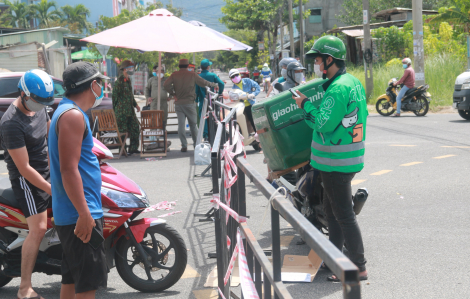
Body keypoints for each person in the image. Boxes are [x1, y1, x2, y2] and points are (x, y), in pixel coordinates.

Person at [292, 35, 368, 282]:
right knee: (332, 211)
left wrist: (304, 105)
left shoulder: (337, 88)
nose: (316, 65)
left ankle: (357, 266)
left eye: (318, 60)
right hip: (343, 159)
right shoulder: (353, 82)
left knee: (343, 213)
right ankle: (335, 258)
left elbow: (323, 124)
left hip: (337, 162)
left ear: (330, 60)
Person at [49, 61, 108, 299]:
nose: (101, 89)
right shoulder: (72, 115)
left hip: (71, 212)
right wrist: (85, 214)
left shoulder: (65, 111)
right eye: (100, 84)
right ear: (94, 85)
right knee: (86, 287)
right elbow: (68, 170)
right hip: (79, 214)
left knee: (72, 282)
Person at [0, 70, 54, 299]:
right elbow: (24, 168)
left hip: (47, 170)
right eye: (37, 100)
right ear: (23, 93)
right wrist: (53, 189)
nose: (40, 106)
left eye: (44, 102)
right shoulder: (11, 123)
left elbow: (50, 133)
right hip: (27, 181)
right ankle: (24, 288)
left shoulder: (39, 106)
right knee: (39, 228)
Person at [164, 58, 218, 152]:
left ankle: (184, 145)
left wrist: (173, 94)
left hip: (179, 103)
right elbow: (203, 83)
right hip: (190, 103)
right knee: (193, 125)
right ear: (188, 66)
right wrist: (213, 84)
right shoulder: (192, 74)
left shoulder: (174, 75)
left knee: (181, 125)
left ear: (179, 66)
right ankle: (196, 145)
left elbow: (165, 85)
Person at [112, 60, 141, 154]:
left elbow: (130, 96)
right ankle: (122, 150)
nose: (132, 69)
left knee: (135, 127)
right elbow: (115, 96)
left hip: (130, 111)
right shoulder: (119, 81)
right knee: (122, 131)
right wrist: (116, 109)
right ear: (125, 69)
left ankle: (133, 148)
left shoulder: (128, 80)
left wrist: (135, 105)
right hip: (121, 112)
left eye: (132, 68)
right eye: (130, 68)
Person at [196, 58, 225, 139]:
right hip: (213, 100)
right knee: (215, 115)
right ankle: (216, 133)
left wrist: (196, 100)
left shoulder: (198, 77)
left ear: (201, 67)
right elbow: (221, 83)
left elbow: (196, 90)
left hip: (202, 100)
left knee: (203, 116)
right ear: (208, 67)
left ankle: (205, 135)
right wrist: (219, 93)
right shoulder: (212, 75)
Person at [228, 68, 260, 133]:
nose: (235, 77)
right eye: (233, 77)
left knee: (255, 122)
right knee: (243, 124)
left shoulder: (248, 81)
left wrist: (253, 94)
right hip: (241, 108)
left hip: (251, 105)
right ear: (231, 79)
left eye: (236, 75)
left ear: (239, 74)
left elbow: (257, 87)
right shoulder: (233, 89)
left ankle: (259, 136)